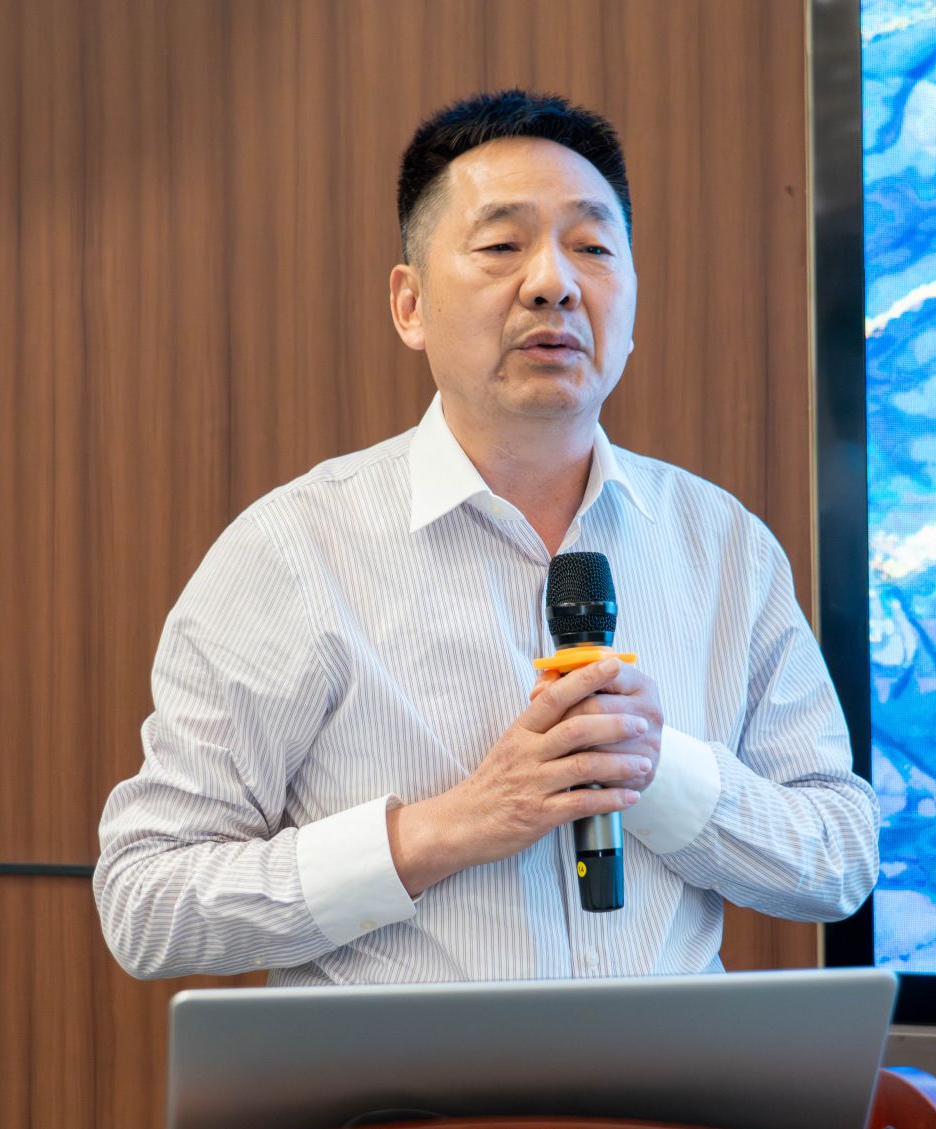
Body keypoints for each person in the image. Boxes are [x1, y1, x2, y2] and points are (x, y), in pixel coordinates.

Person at [94, 90, 878, 985]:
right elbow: (146, 902)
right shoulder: (295, 550)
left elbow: (841, 857)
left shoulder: (724, 544)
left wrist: (655, 769)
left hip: (665, 1078)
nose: (554, 283)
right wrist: (452, 826)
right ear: (410, 304)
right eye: (503, 246)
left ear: (632, 301)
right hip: (410, 1081)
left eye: (593, 248)